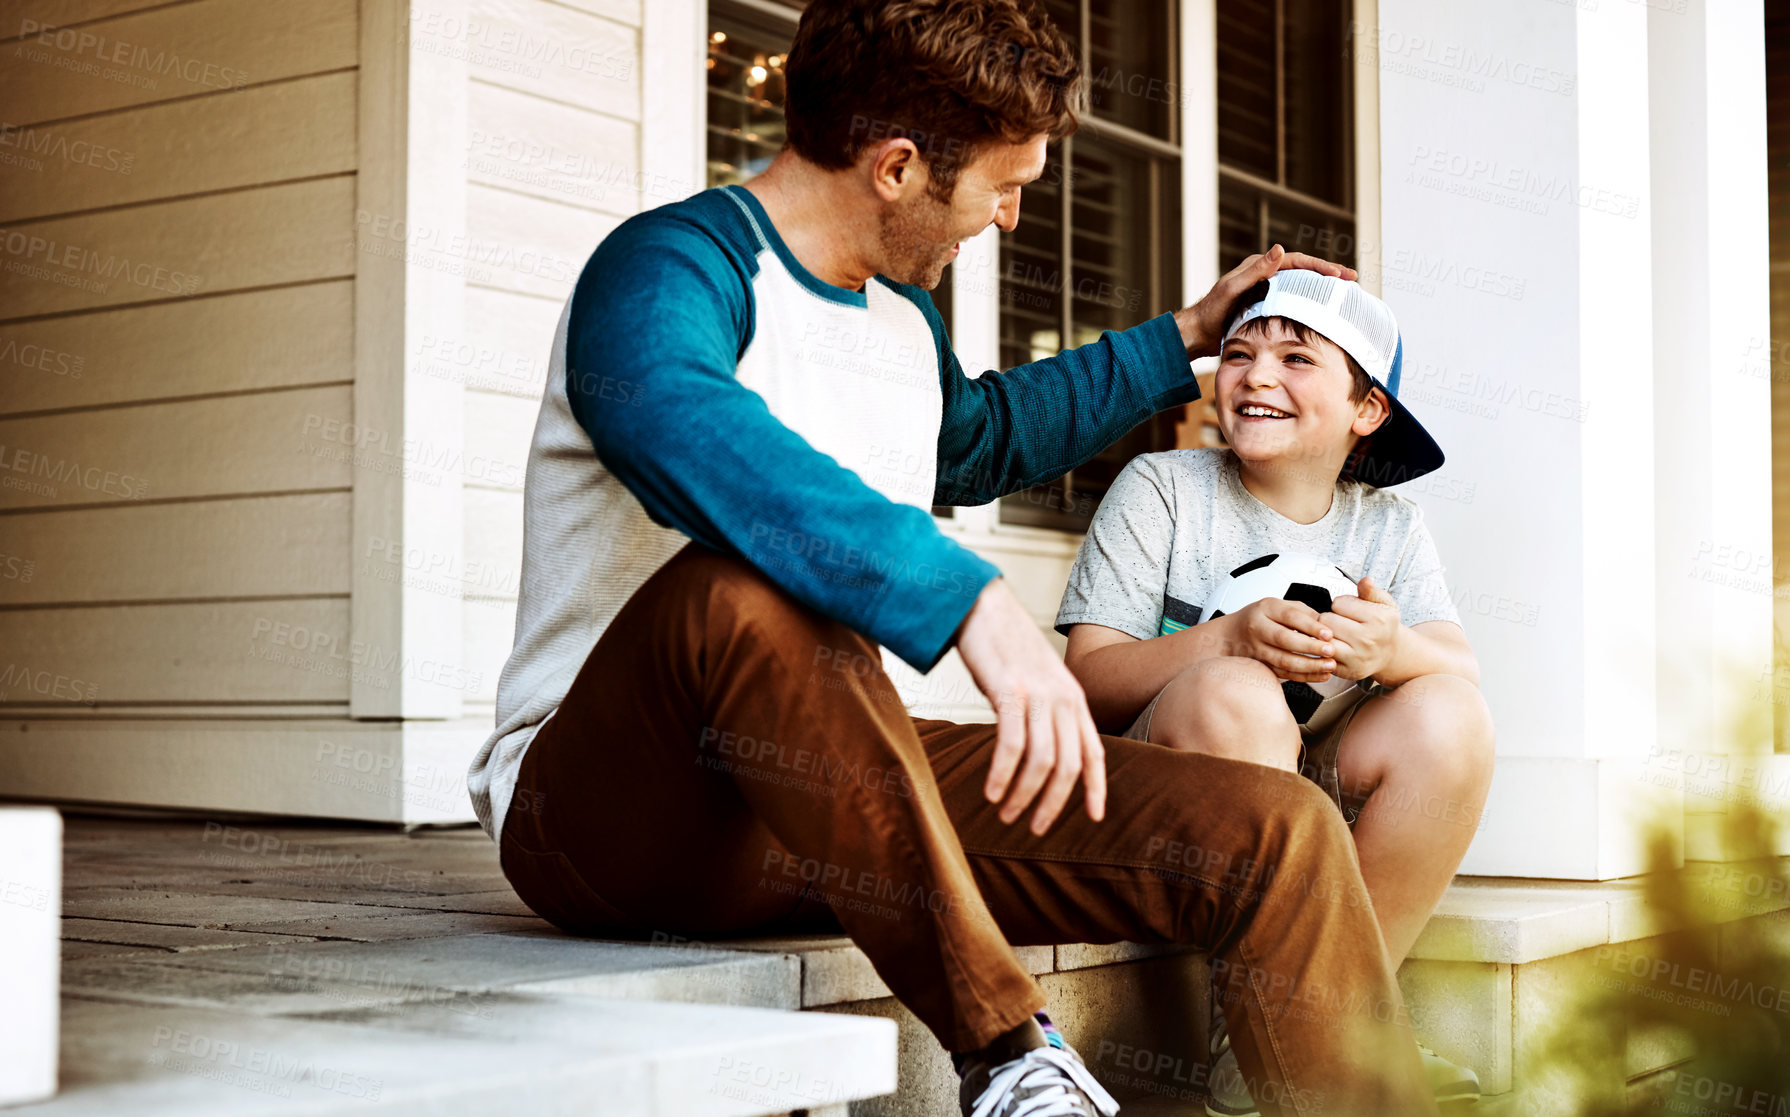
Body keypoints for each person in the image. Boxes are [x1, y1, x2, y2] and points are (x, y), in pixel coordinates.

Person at [466, 1, 1438, 1113]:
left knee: (1280, 831)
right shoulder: (673, 269)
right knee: (742, 588)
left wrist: (1180, 337)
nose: (1014, 218)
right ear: (893, 169)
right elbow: (678, 423)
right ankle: (1014, 1055)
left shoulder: (896, 319)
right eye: (998, 186)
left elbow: (976, 437)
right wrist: (969, 605)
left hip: (847, 793)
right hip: (614, 811)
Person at [1056, 271, 1497, 1115]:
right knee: (1236, 693)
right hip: (1178, 793)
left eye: (1297, 357)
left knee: (1451, 714)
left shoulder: (1388, 523)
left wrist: (1392, 647)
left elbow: (1458, 663)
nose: (1257, 375)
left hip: (1313, 794)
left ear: (1367, 411)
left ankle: (1334, 1024)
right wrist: (1223, 638)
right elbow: (1087, 681)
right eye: (1239, 352)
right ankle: (1273, 1031)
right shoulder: (1163, 489)